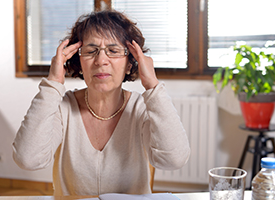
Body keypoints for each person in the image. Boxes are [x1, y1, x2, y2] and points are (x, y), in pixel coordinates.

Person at [12, 9, 190, 196]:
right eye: (91, 51)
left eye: (113, 51)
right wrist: (53, 82)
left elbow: (174, 160)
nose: (101, 60)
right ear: (79, 62)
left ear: (130, 63)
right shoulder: (62, 107)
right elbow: (27, 159)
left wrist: (152, 85)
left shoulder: (142, 109)